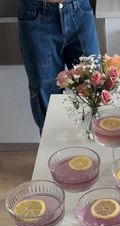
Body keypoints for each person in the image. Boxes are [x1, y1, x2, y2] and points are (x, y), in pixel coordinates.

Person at [18, 0, 100, 134]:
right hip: (36, 14)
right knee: (46, 94)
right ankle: (55, 151)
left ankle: (95, 150)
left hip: (78, 9)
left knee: (93, 86)